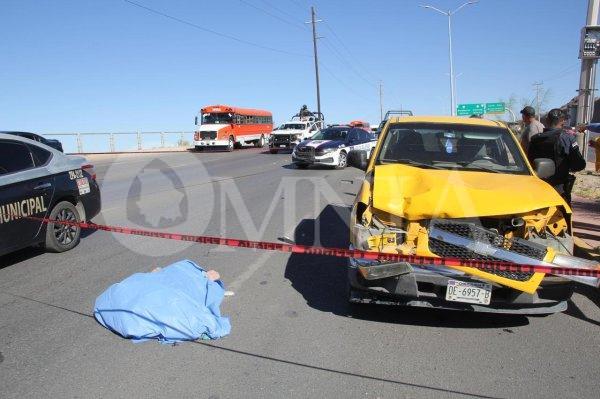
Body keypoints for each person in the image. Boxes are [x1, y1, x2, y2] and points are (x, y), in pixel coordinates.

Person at [528, 108, 587, 204]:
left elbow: (529, 161)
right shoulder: (566, 138)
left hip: (537, 188)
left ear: (547, 121)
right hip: (559, 189)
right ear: (563, 121)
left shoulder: (535, 139)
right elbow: (579, 165)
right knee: (561, 217)